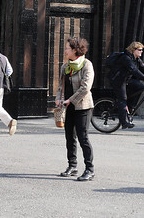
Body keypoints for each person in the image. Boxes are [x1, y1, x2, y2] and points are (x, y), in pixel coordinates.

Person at [55, 37, 95, 181]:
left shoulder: (86, 65)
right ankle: (72, 166)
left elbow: (85, 88)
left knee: (83, 137)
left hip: (83, 106)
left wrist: (70, 100)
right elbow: (61, 86)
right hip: (68, 106)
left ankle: (89, 169)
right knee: (69, 137)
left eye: (67, 48)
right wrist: (58, 98)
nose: (65, 50)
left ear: (75, 50)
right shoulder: (65, 67)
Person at [108, 41, 144, 129]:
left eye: (142, 50)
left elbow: (143, 68)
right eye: (139, 50)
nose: (141, 51)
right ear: (133, 50)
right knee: (123, 98)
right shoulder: (126, 58)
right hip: (118, 80)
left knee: (140, 87)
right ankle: (124, 122)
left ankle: (130, 108)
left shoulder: (136, 59)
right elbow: (134, 70)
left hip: (126, 80)